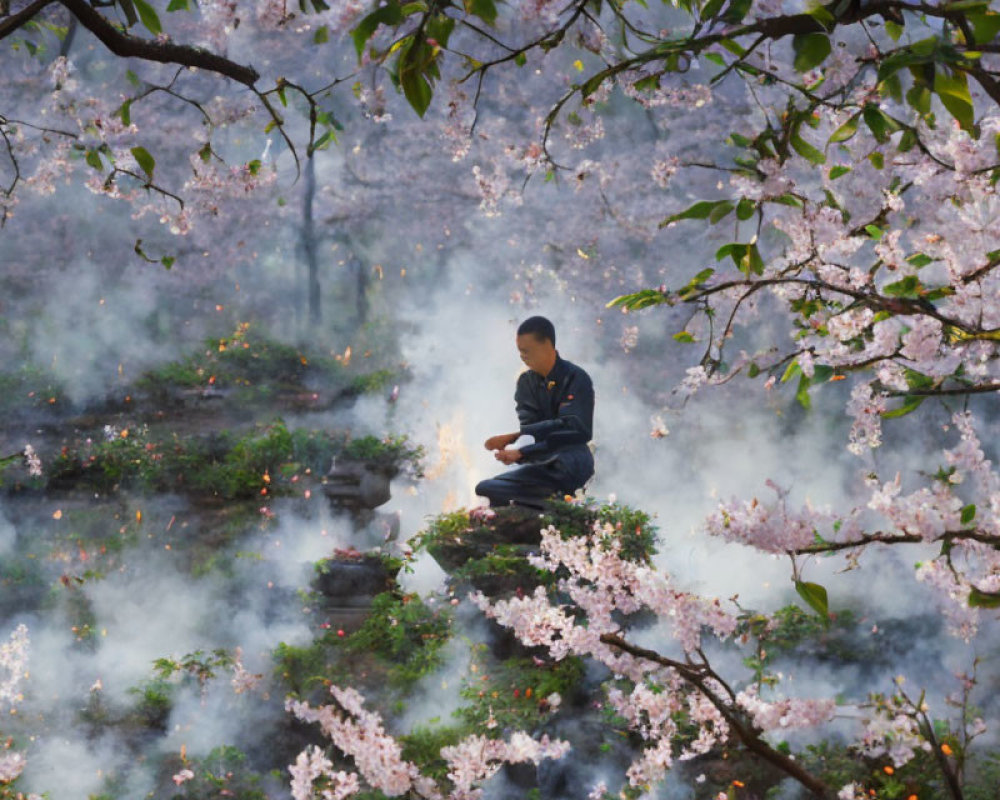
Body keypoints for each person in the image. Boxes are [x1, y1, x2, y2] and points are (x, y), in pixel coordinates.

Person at [475, 316, 594, 508]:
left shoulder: (576, 378)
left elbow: (576, 430)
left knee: (563, 470)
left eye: (527, 351)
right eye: (520, 352)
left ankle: (556, 504)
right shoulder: (526, 383)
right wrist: (514, 452)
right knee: (487, 488)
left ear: (547, 345)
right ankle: (550, 503)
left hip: (571, 463)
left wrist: (517, 441)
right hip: (542, 465)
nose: (523, 357)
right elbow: (531, 428)